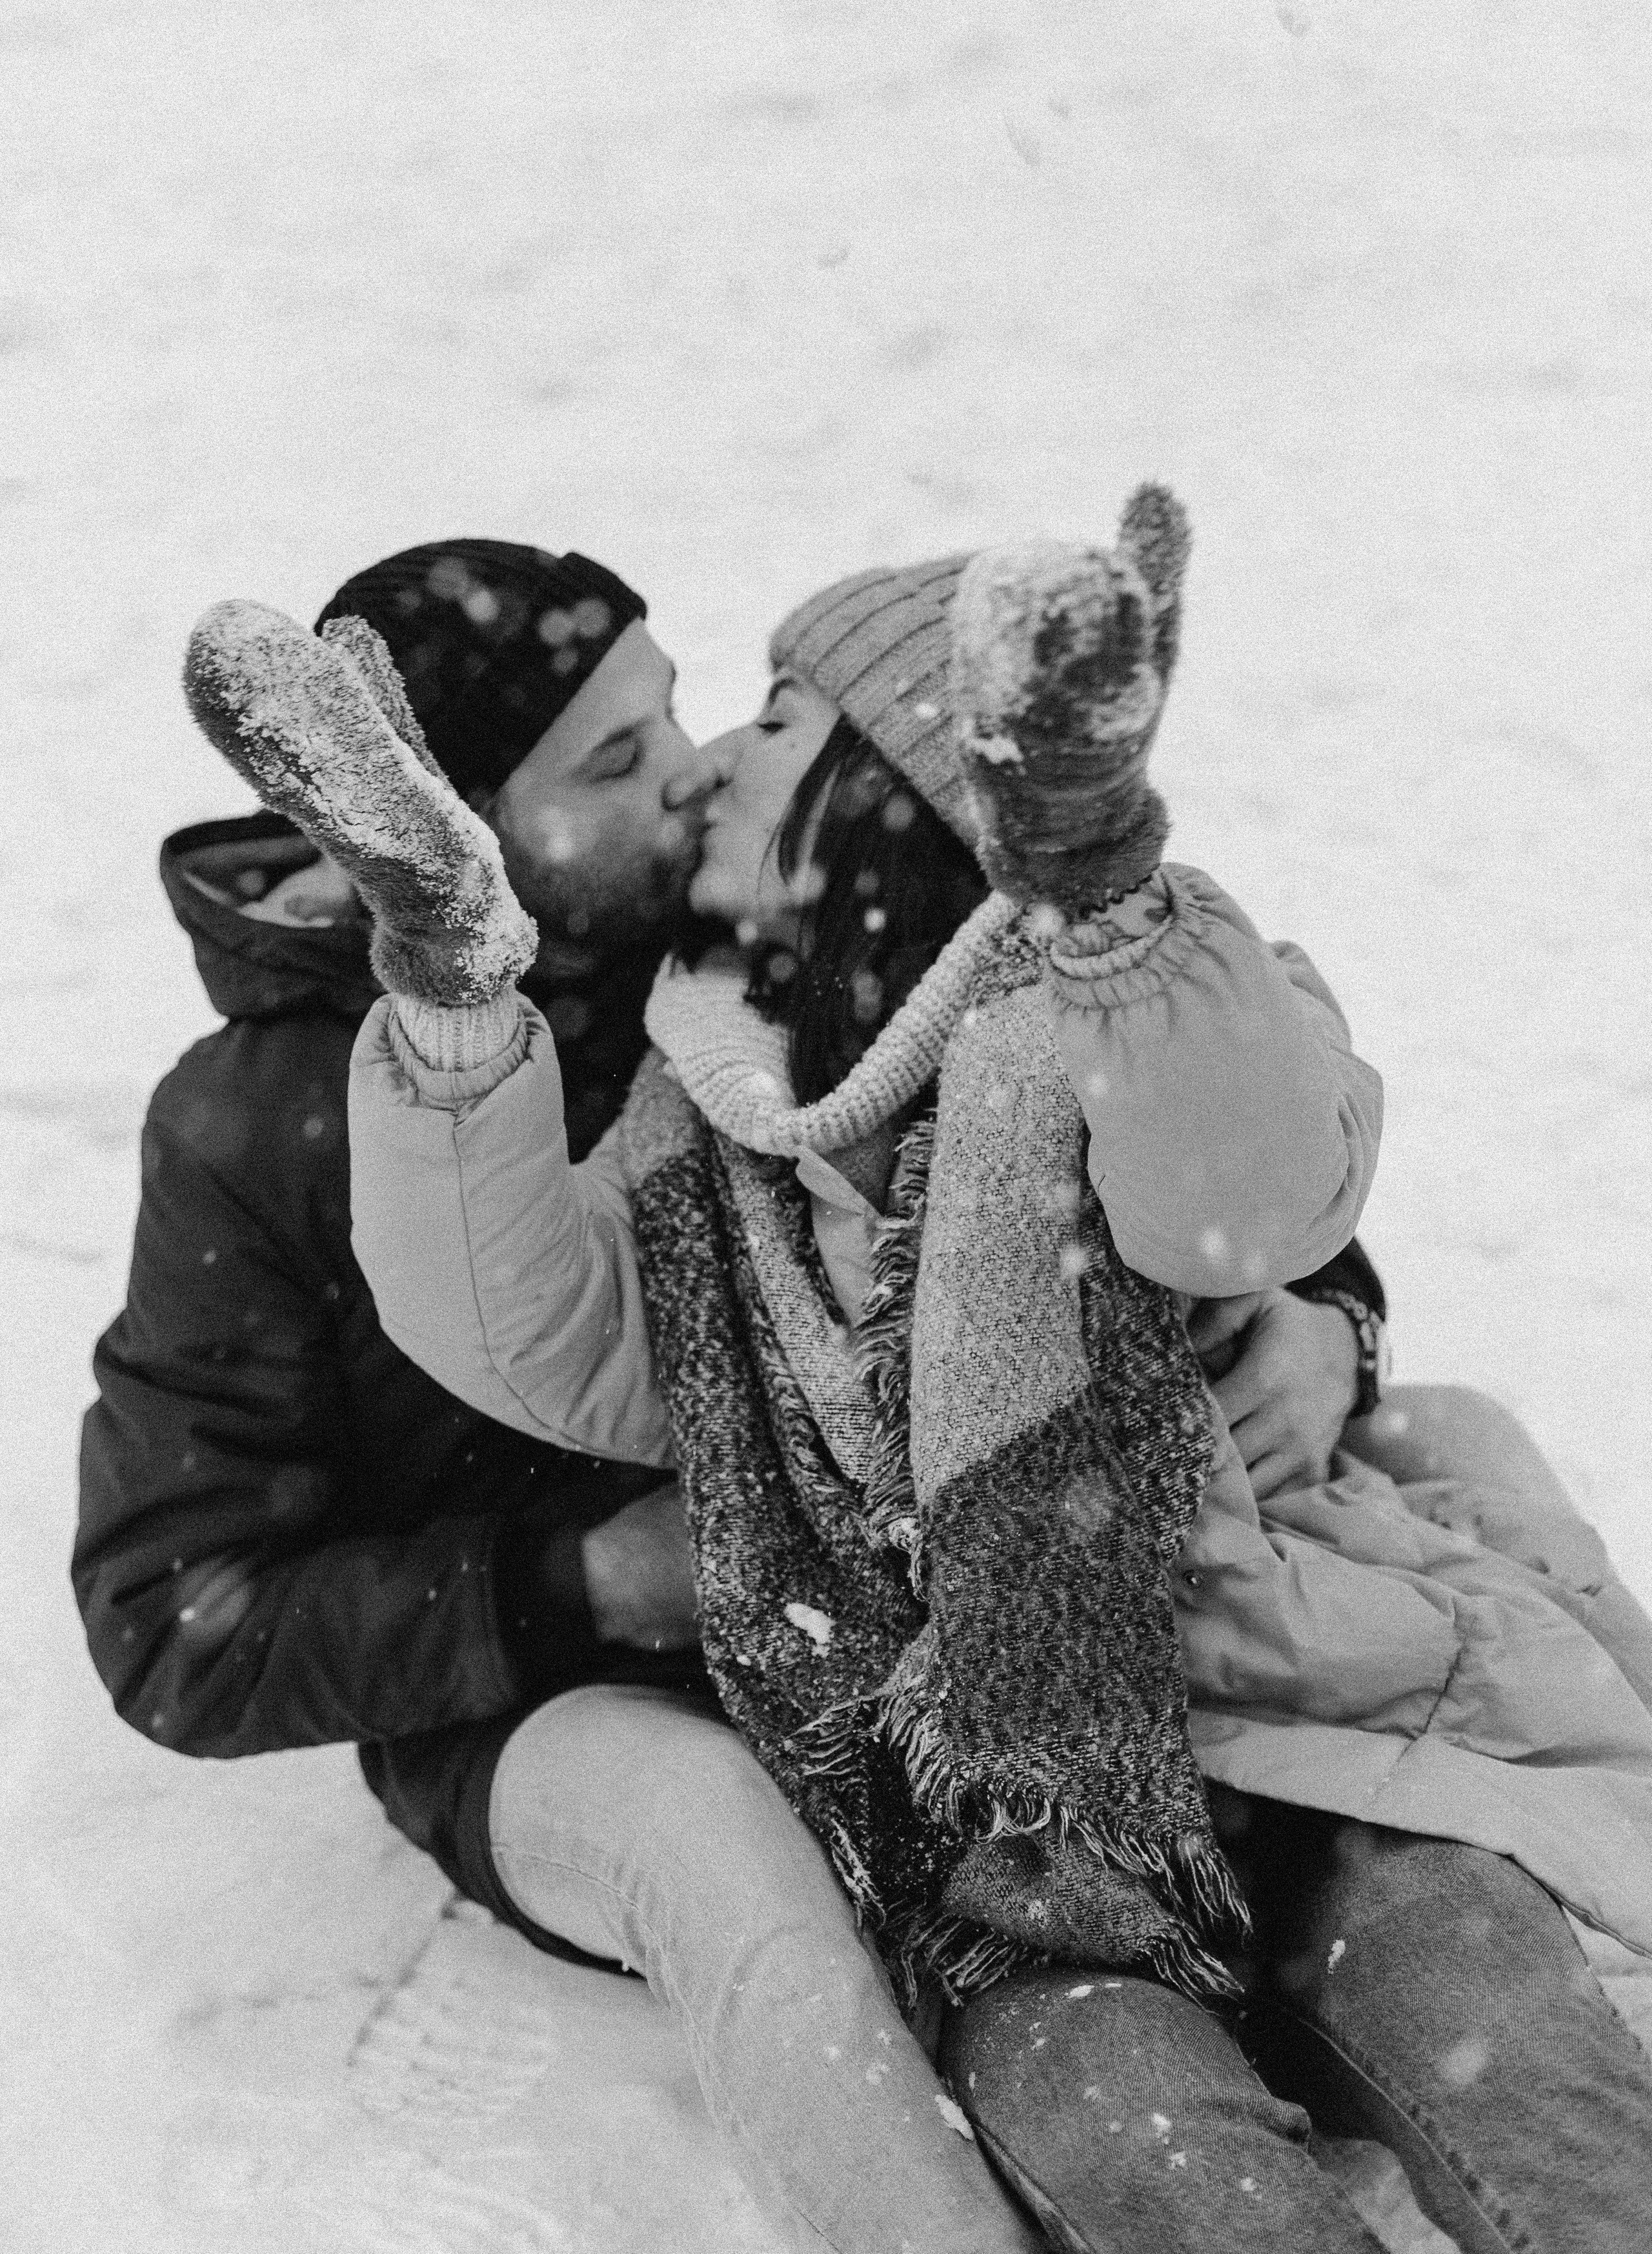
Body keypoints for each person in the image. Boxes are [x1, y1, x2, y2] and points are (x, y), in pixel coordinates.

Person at [183, 495, 1652, 2254]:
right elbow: (529, 1327)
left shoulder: (1106, 1007)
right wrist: (445, 985)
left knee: (1526, 2071)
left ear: (894, 802)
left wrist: (1105, 894)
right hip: (988, 1854)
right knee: (1145, 2153)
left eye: (758, 718)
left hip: (1306, 1738)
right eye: (640, 746)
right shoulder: (688, 1118)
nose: (710, 763)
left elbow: (1245, 1179)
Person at [73, 540, 721, 1953]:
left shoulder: (748, 960)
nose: (695, 772)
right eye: (616, 760)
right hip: (550, 1708)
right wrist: (587, 1579)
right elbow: (177, 1619)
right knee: (746, 1880)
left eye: (673, 708)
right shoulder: (261, 1127)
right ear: (454, 826)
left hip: (869, 1623)